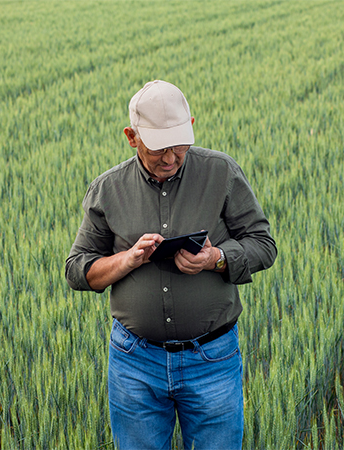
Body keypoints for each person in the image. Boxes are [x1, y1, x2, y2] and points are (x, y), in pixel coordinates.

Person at [65, 80, 276, 450]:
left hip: (211, 358)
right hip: (135, 364)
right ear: (132, 137)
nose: (170, 158)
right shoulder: (107, 189)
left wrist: (216, 258)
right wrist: (127, 259)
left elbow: (263, 245)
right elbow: (77, 269)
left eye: (179, 145)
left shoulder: (221, 173)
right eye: (159, 148)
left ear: (191, 124)